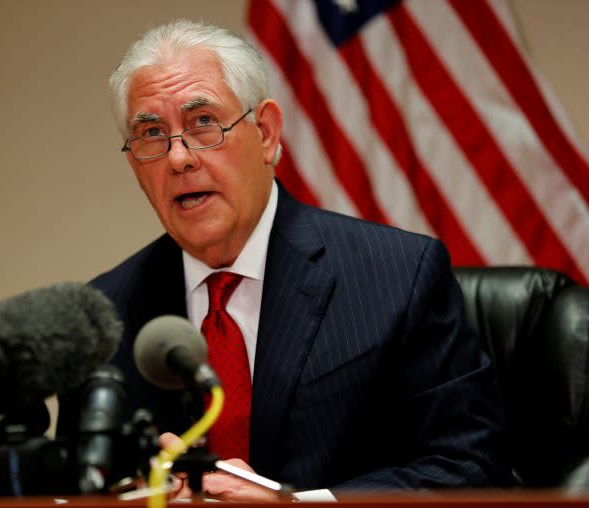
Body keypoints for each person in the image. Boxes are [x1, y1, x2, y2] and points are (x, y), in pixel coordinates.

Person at [59, 19, 512, 500]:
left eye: (204, 124)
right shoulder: (101, 317)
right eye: (151, 133)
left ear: (267, 134)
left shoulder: (399, 274)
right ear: (134, 163)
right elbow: (74, 488)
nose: (178, 158)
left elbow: (470, 466)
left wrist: (296, 506)